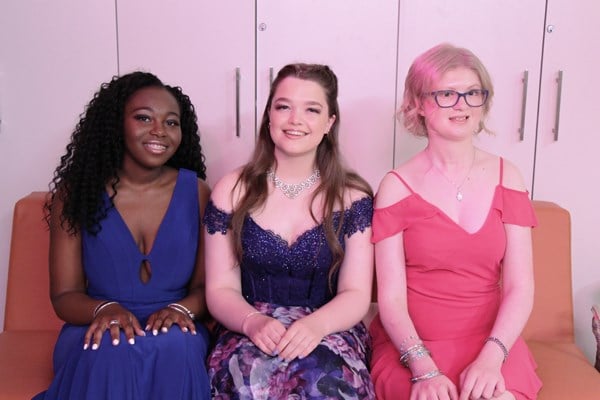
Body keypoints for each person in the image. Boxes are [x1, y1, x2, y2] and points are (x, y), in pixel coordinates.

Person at [369, 43, 543, 400]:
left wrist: (492, 359)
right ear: (418, 103)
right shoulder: (395, 187)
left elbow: (520, 287)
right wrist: (423, 368)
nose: (462, 104)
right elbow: (390, 299)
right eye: (447, 93)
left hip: (492, 344)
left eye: (472, 93)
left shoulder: (507, 176)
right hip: (413, 347)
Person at [35, 71, 212, 399]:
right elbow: (64, 295)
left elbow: (205, 289)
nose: (159, 130)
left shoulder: (198, 193)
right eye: (144, 117)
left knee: (177, 345)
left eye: (171, 122)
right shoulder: (78, 193)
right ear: (116, 123)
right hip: (95, 323)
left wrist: (182, 310)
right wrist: (105, 310)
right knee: (112, 345)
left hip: (176, 324)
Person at [203, 63, 376, 399]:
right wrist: (252, 322)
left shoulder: (353, 196)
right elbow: (220, 288)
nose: (295, 120)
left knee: (322, 379)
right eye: (284, 106)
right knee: (249, 382)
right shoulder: (231, 190)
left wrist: (317, 326)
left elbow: (356, 293)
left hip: (329, 326)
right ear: (269, 116)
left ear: (329, 123)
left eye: (312, 110)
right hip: (247, 325)